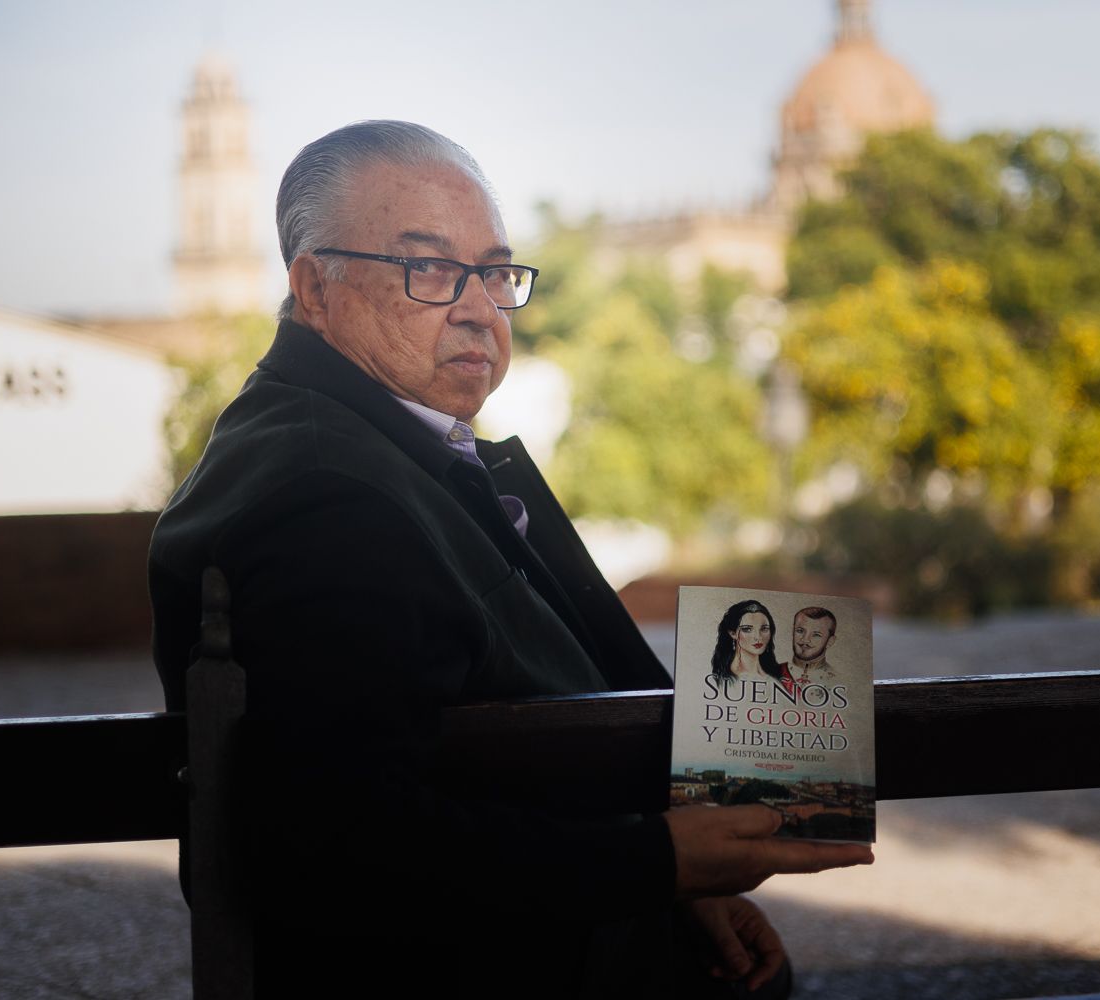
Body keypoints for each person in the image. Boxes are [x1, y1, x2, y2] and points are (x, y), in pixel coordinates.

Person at [148, 120, 872, 997]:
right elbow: (332, 842)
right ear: (316, 289)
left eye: (494, 272)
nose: (479, 307)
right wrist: (657, 859)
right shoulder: (328, 494)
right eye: (428, 268)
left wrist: (684, 884)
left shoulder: (358, 442)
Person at [709, 599, 784, 681]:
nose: (758, 637)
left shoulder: (778, 677)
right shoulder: (721, 676)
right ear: (733, 633)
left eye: (764, 629)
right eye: (747, 629)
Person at [779, 606, 839, 694]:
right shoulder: (771, 673)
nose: (805, 640)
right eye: (800, 631)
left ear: (830, 641)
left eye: (816, 635)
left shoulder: (838, 680)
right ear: (793, 632)